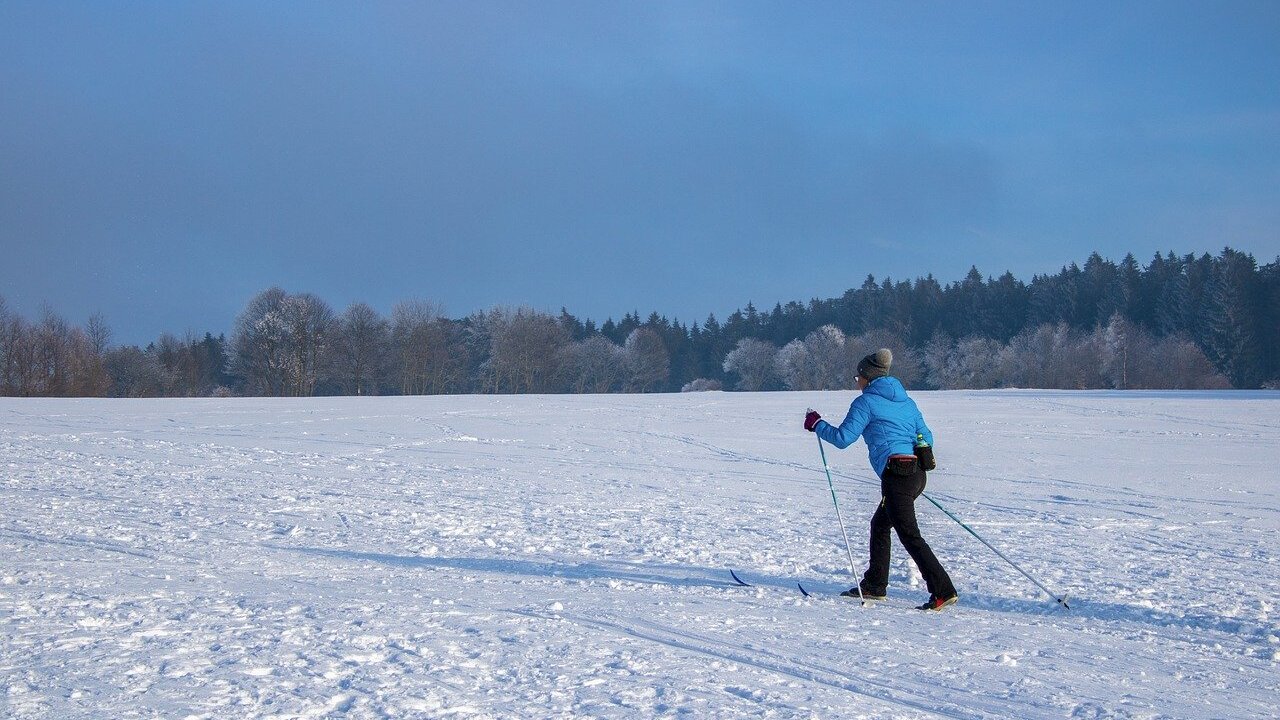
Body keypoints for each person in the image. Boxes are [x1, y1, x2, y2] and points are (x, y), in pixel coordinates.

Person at [803, 348, 959, 611]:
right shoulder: (907, 402)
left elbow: (843, 438)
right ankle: (875, 585)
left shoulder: (866, 403)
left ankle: (943, 590)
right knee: (880, 525)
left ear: (867, 377)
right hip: (916, 474)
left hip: (897, 475)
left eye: (858, 378)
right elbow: (927, 437)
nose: (857, 383)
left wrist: (817, 424)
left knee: (909, 534)